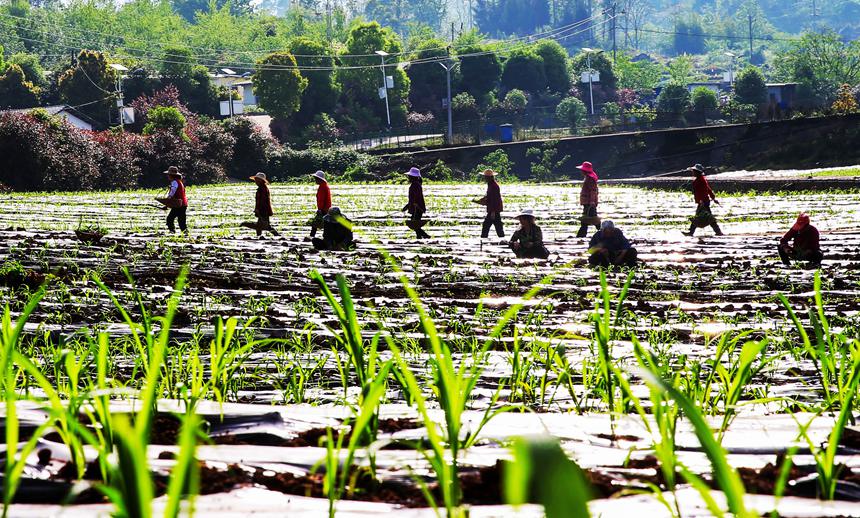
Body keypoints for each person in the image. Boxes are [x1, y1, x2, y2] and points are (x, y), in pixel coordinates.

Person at [683, 164, 723, 236]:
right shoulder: (701, 179)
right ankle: (718, 231)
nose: (693, 172)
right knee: (707, 217)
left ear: (698, 172)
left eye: (694, 171)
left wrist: (702, 201)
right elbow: (708, 190)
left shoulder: (700, 180)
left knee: (705, 218)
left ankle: (691, 232)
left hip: (703, 202)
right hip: (704, 201)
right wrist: (713, 198)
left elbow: (705, 191)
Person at [241, 172, 280, 238]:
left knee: (265, 226)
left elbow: (262, 201)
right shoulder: (262, 188)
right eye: (255, 179)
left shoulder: (263, 189)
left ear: (261, 180)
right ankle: (260, 236)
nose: (255, 181)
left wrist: (258, 209)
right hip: (263, 210)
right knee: (260, 226)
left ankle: (276, 236)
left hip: (263, 210)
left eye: (257, 180)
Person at [475, 169, 504, 238]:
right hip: (493, 210)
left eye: (485, 177)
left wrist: (493, 212)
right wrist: (481, 200)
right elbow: (488, 197)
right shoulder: (491, 185)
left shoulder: (494, 186)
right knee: (498, 227)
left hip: (493, 210)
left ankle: (484, 239)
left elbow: (495, 200)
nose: (484, 178)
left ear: (489, 177)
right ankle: (502, 239)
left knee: (487, 226)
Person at [402, 167, 430, 239]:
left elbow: (415, 197)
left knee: (415, 225)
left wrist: (412, 205)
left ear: (412, 177)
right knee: (415, 224)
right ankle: (419, 238)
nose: (408, 178)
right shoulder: (416, 184)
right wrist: (407, 206)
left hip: (417, 208)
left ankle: (426, 236)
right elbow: (412, 199)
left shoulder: (415, 185)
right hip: (417, 207)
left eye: (409, 176)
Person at [576, 161, 601, 238]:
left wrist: (592, 201)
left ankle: (602, 231)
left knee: (589, 220)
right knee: (588, 220)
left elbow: (593, 191)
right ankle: (582, 235)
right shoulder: (588, 177)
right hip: (587, 203)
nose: (581, 171)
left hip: (589, 203)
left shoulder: (590, 179)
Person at [160, 166, 188, 234]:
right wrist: (166, 205)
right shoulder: (179, 182)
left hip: (179, 204)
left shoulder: (175, 182)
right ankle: (185, 233)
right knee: (181, 220)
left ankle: (172, 231)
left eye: (168, 175)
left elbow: (172, 192)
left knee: (170, 219)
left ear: (171, 175)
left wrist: (167, 201)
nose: (167, 176)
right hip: (183, 204)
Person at [310, 171, 332, 239]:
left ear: (320, 179)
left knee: (316, 224)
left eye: (316, 179)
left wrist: (320, 209)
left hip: (324, 209)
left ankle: (312, 236)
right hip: (326, 208)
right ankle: (326, 236)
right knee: (325, 224)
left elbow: (321, 200)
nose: (315, 180)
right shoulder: (324, 186)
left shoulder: (322, 187)